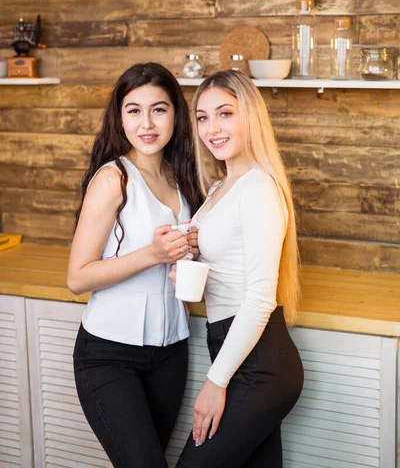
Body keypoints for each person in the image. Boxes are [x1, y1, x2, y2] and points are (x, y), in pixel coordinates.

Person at [68, 62, 202, 468]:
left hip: (172, 350)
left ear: (176, 114)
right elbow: (77, 277)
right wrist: (153, 254)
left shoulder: (183, 178)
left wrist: (190, 251)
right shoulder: (112, 180)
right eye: (134, 110)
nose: (147, 123)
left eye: (159, 109)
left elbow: (180, 259)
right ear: (119, 116)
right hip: (108, 354)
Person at [174, 70, 304, 468]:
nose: (212, 128)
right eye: (202, 117)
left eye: (225, 113)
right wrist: (192, 254)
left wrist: (215, 382)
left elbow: (260, 299)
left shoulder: (259, 188)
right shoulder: (219, 187)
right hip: (235, 349)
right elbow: (228, 261)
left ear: (249, 115)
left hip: (259, 363)